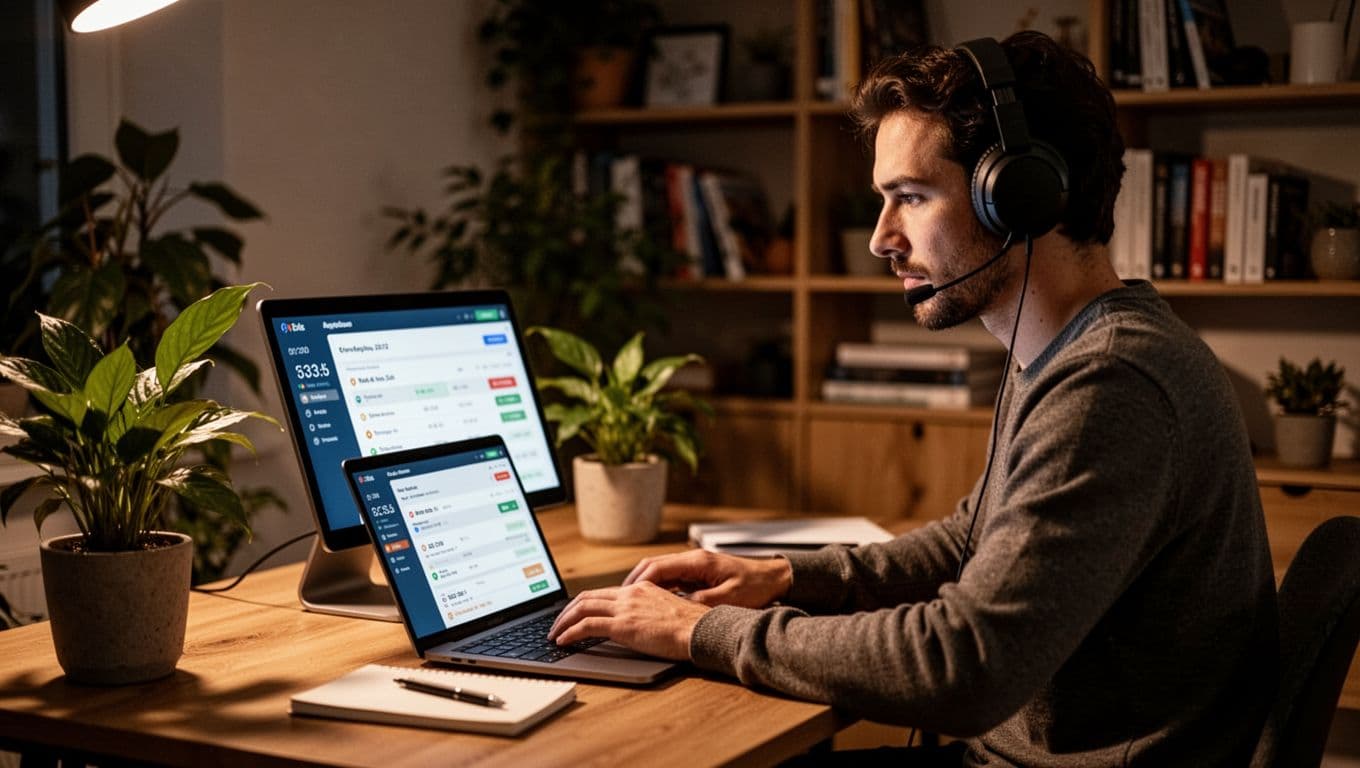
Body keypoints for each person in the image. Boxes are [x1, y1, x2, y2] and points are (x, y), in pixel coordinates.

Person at [549, 30, 1276, 766]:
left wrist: (696, 633)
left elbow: (962, 666)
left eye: (912, 197)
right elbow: (972, 540)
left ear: (1019, 196)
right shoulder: (1064, 351)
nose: (879, 239)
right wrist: (784, 576)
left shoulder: (1109, 382)